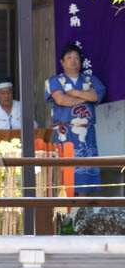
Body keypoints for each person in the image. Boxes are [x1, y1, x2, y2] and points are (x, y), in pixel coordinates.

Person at [45, 44, 107, 193]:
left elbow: (97, 95)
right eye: (69, 58)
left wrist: (74, 92)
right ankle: (66, 210)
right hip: (64, 132)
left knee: (86, 173)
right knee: (65, 171)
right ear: (62, 62)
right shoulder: (54, 81)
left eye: (76, 58)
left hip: (86, 132)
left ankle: (83, 209)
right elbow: (61, 100)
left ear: (80, 62)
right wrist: (84, 98)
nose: (73, 61)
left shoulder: (91, 80)